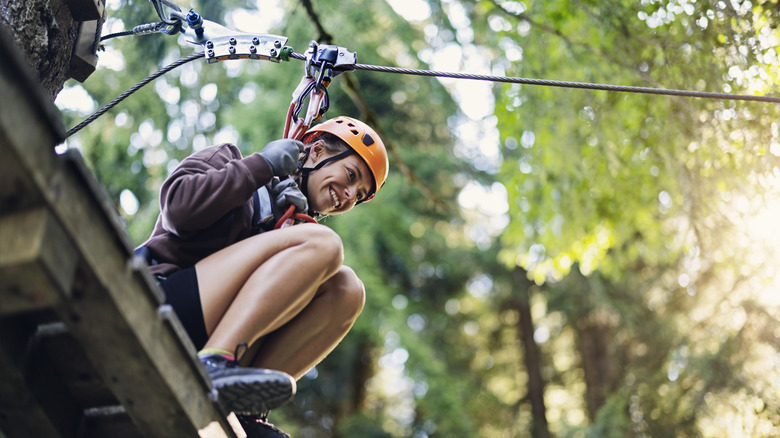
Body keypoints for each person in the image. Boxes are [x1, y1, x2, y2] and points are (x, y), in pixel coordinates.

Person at [135, 116, 389, 437]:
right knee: (325, 244)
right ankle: (216, 363)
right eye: (351, 176)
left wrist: (280, 228)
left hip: (213, 334)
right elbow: (178, 209)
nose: (350, 194)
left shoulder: (298, 240)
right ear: (317, 152)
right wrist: (262, 167)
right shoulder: (230, 160)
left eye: (360, 194)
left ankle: (245, 408)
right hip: (165, 303)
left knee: (347, 288)